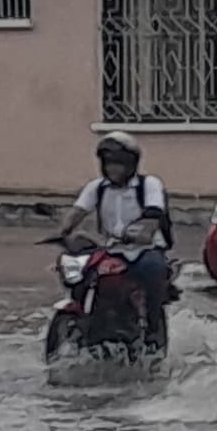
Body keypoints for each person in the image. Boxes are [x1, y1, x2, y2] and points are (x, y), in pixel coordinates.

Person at [57, 131, 178, 346]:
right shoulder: (97, 187)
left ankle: (153, 328)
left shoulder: (149, 185)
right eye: (109, 162)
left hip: (145, 250)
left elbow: (153, 215)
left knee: (152, 268)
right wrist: (63, 232)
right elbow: (78, 211)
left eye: (119, 163)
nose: (113, 168)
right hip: (111, 250)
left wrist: (141, 233)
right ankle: (87, 318)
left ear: (131, 164)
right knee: (83, 272)